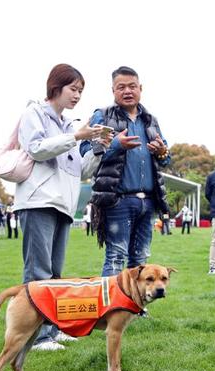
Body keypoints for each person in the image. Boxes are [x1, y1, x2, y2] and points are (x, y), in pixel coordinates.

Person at [15, 64, 107, 351]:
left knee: (55, 274)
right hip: (38, 202)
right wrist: (78, 137)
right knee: (38, 272)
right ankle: (38, 337)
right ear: (56, 87)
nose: (77, 95)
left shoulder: (68, 125)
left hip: (63, 206)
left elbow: (78, 171)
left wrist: (98, 148)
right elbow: (36, 149)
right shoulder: (34, 114)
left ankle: (51, 331)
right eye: (73, 89)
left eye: (81, 91)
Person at [80, 66, 171, 276]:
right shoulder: (103, 116)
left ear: (141, 88)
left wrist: (162, 152)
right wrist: (115, 144)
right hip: (117, 200)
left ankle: (134, 308)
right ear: (113, 90)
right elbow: (85, 151)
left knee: (140, 259)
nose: (127, 91)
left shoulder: (150, 120)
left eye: (132, 86)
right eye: (121, 87)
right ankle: (110, 308)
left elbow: (166, 158)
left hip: (148, 201)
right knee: (116, 256)